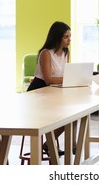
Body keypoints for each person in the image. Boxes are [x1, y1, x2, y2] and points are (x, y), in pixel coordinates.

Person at [27, 21, 75, 156]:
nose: (69, 40)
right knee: (65, 116)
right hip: (38, 93)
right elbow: (48, 80)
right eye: (66, 37)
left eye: (70, 36)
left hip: (54, 91)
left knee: (73, 115)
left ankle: (50, 143)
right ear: (57, 37)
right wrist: (70, 78)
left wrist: (71, 78)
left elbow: (66, 74)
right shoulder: (46, 53)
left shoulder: (66, 52)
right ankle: (51, 143)